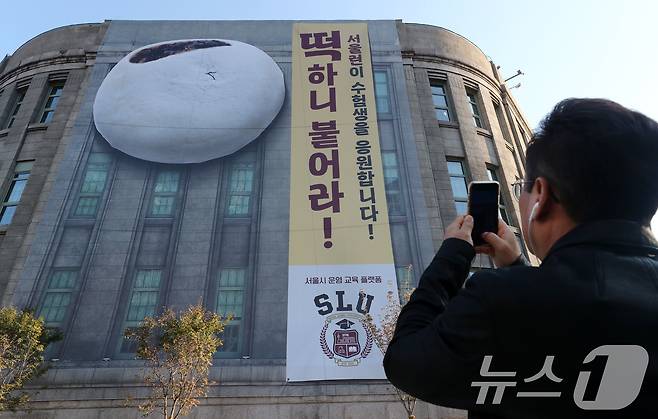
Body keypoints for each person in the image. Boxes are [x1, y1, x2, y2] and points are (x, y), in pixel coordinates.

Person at [383, 98, 658, 418]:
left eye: (520, 188)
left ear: (540, 196)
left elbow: (405, 362)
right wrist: (517, 269)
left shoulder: (497, 299)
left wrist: (454, 253)